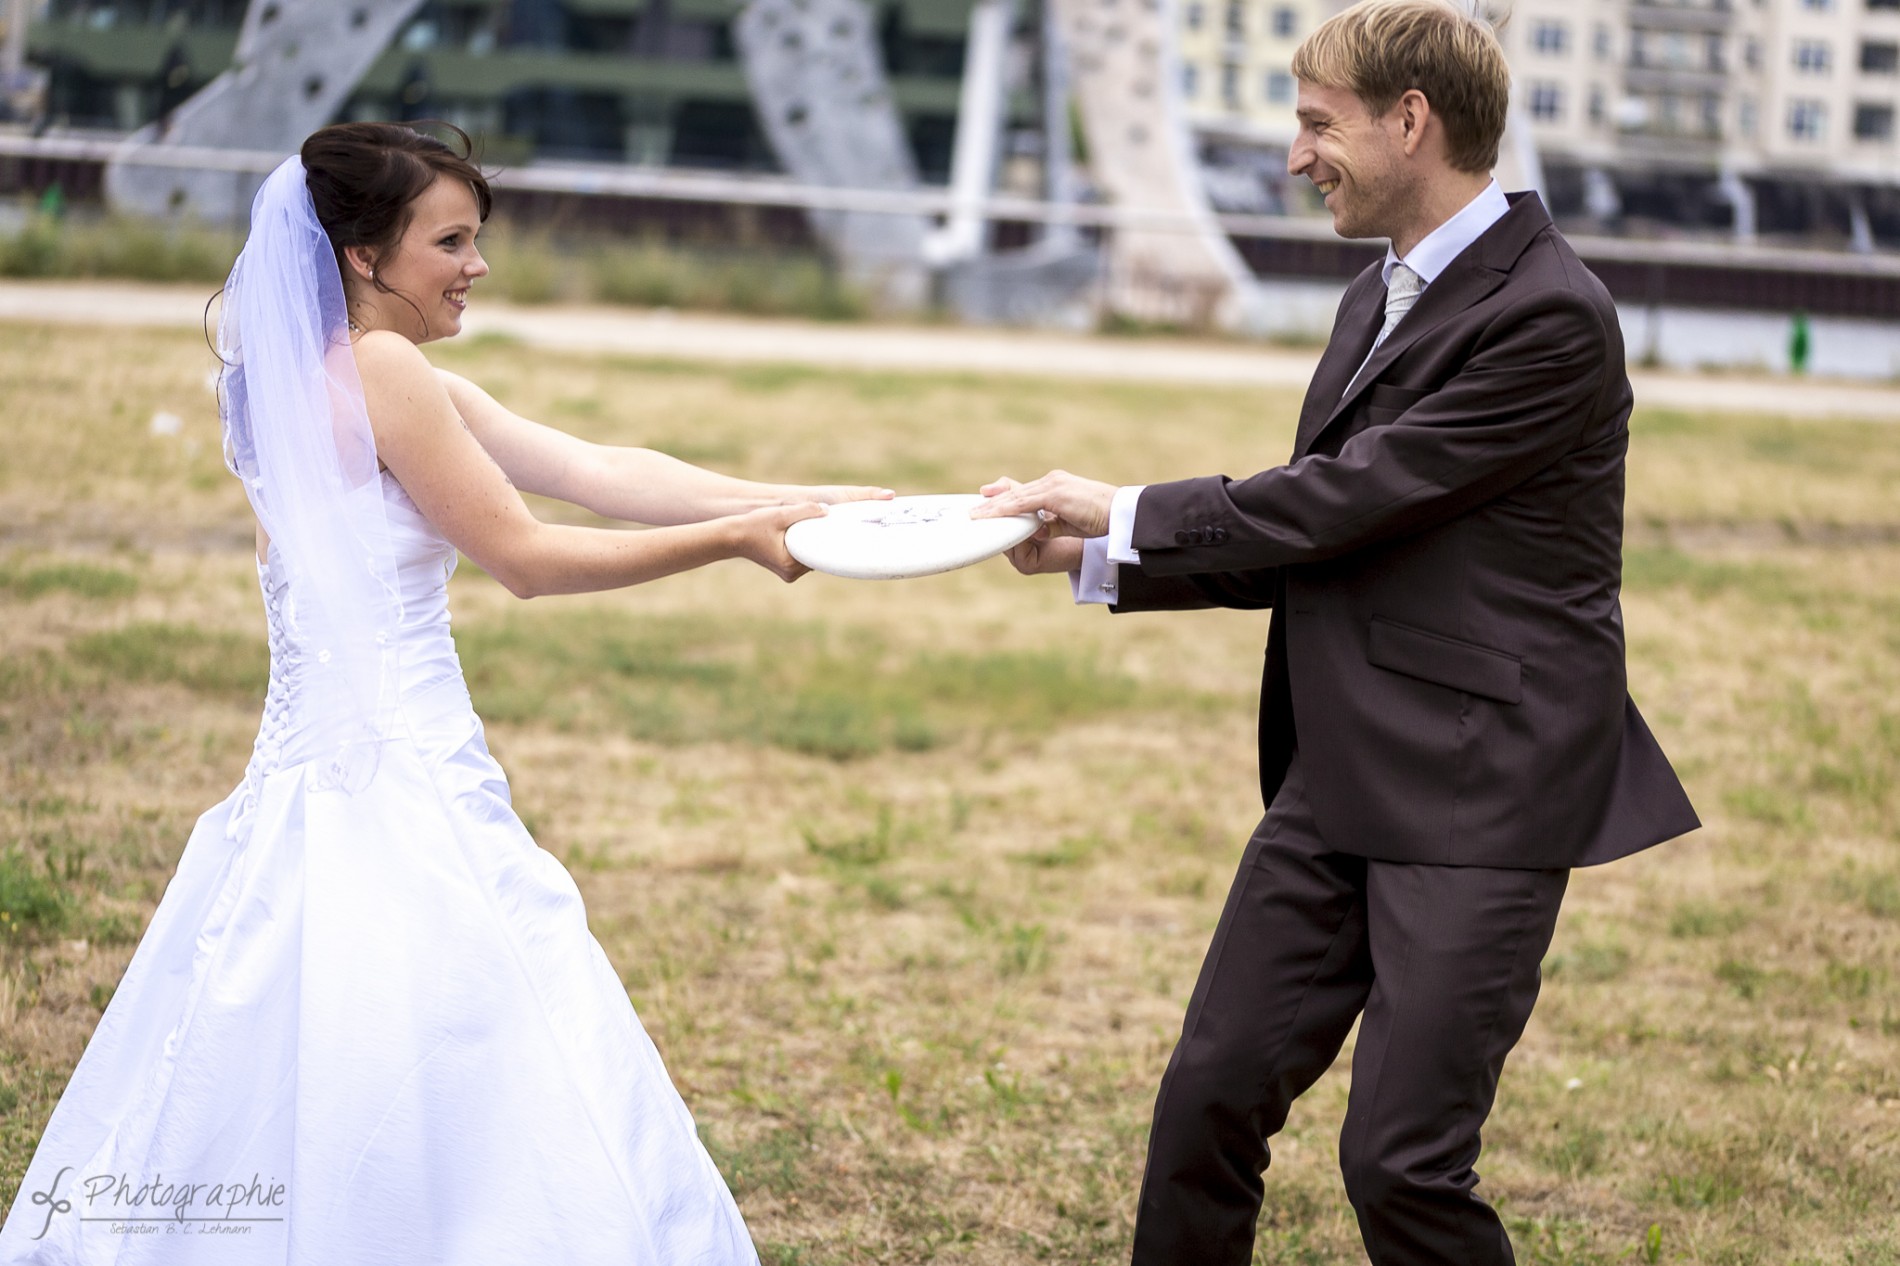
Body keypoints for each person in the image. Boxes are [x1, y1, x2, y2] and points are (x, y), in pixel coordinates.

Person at [0, 122, 886, 1264]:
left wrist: (813, 499)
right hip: (404, 771)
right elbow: (527, 556)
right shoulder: (386, 371)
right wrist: (735, 540)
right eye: (451, 240)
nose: (476, 265)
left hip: (305, 773)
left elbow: (600, 469)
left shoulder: (284, 374)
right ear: (365, 256)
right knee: (471, 1023)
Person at [974, 2, 1701, 1262]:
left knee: (1401, 1167)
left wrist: (1129, 506)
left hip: (1480, 790)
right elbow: (1328, 542)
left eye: (1318, 126)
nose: (1296, 157)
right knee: (1205, 1103)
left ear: (1409, 122)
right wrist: (1098, 557)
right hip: (1339, 779)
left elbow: (1350, 495)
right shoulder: (1378, 293)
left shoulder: (1549, 317)